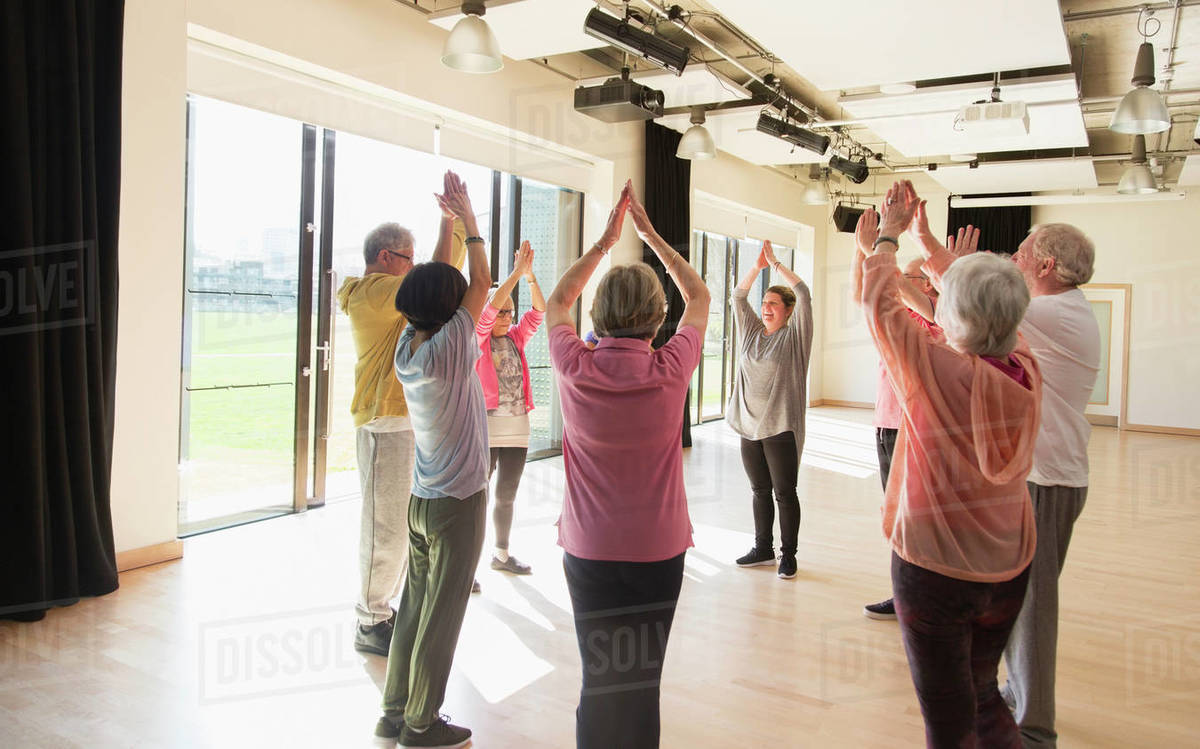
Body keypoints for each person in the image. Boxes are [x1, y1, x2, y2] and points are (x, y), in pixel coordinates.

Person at [858, 181, 1041, 749]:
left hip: (937, 568)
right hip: (1008, 563)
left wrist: (886, 239)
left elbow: (877, 306)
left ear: (952, 311)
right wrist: (945, 264)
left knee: (947, 720)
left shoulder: (938, 373)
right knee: (983, 695)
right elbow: (956, 318)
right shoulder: (1028, 367)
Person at [547, 181, 710, 749]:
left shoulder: (573, 365)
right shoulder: (671, 369)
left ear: (597, 314)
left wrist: (605, 242)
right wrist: (651, 238)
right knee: (641, 684)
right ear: (657, 318)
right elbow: (700, 297)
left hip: (588, 549)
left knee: (599, 682)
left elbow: (556, 302)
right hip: (656, 551)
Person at [373, 172, 490, 749]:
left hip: (423, 501)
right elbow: (480, 283)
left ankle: (394, 712)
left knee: (414, 610)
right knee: (441, 619)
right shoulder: (452, 348)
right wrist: (469, 218)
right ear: (449, 309)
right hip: (457, 504)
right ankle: (422, 725)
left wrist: (446, 221)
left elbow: (437, 286)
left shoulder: (410, 347)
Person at [336, 172, 464, 656]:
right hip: (384, 423)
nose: (415, 268)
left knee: (408, 523)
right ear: (385, 258)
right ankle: (371, 620)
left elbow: (434, 275)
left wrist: (448, 222)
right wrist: (448, 222)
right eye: (408, 258)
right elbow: (434, 278)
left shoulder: (394, 294)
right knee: (385, 525)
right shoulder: (373, 293)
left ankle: (391, 609)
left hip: (408, 422)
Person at [1001, 224, 1100, 748]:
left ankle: (1036, 731)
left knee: (1035, 605)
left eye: (1020, 253)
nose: (1012, 259)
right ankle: (1018, 697)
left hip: (1050, 479)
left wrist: (924, 245)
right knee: (1021, 598)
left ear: (1044, 266)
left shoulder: (1052, 312)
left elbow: (973, 304)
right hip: (1048, 476)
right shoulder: (1061, 310)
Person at [855, 227, 959, 620]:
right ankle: (905, 593)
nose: (901, 282)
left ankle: (919, 597)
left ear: (928, 287)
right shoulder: (898, 320)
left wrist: (877, 253)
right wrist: (865, 253)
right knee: (896, 514)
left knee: (914, 517)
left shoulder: (936, 323)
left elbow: (893, 290)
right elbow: (869, 295)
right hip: (885, 425)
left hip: (913, 430)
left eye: (911, 277)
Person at [726, 240, 814, 579]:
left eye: (773, 304)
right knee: (759, 490)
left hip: (780, 427)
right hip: (748, 427)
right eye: (764, 302)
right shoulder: (751, 332)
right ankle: (762, 548)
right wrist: (756, 267)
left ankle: (787, 555)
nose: (766, 308)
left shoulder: (796, 338)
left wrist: (776, 264)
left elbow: (803, 293)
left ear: (788, 310)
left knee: (784, 492)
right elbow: (737, 297)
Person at [475, 239, 545, 576]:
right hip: (486, 430)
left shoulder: (517, 337)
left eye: (509, 312)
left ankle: (501, 555)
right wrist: (516, 273)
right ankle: (466, 568)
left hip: (517, 430)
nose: (504, 316)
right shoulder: (478, 339)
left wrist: (530, 278)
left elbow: (539, 312)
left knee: (506, 496)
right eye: (500, 311)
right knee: (478, 499)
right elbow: (487, 314)